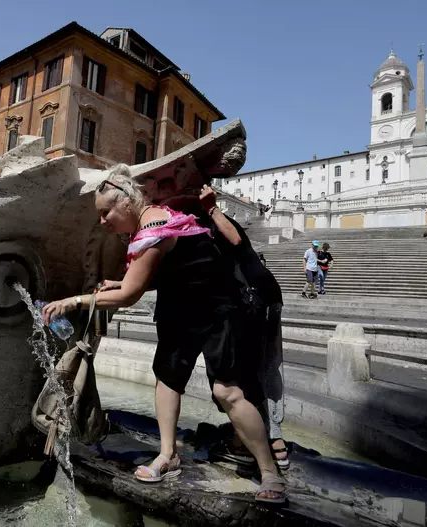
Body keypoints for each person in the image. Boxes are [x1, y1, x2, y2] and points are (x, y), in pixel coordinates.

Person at [42, 169, 286, 503]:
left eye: (105, 212)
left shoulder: (153, 229)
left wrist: (74, 300)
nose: (103, 221)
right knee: (167, 381)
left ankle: (269, 471)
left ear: (126, 204)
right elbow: (179, 268)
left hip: (219, 313)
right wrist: (124, 284)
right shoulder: (163, 220)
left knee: (228, 391)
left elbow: (130, 295)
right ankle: (168, 455)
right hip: (182, 311)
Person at [197, 185, 289, 470]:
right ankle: (272, 440)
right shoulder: (212, 225)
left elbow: (236, 240)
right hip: (264, 298)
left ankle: (265, 441)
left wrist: (211, 209)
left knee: (252, 372)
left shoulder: (217, 222)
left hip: (254, 304)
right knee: (265, 367)